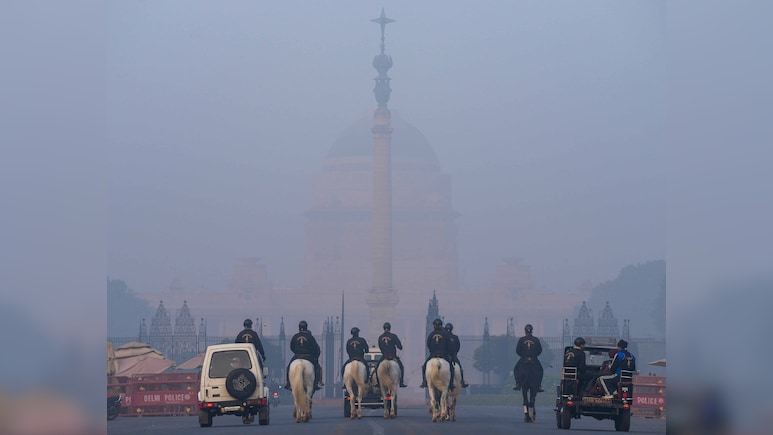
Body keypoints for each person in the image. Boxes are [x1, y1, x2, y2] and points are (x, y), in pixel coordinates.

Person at [284, 320, 324, 391]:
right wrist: (314, 356)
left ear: (299, 327)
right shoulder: (310, 337)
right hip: (308, 356)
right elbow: (315, 348)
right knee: (317, 368)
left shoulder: (295, 336)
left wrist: (297, 353)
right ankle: (315, 384)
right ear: (306, 327)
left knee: (289, 368)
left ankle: (288, 383)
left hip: (297, 356)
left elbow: (292, 347)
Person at [418, 318, 455, 390]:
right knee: (451, 368)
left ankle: (424, 381)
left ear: (434, 325)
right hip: (443, 355)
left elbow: (428, 344)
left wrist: (432, 351)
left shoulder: (431, 334)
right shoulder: (445, 334)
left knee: (424, 366)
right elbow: (449, 345)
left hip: (433, 355)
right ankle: (451, 383)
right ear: (441, 325)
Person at [374, 322, 408, 388]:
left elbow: (380, 347)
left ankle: (378, 383)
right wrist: (400, 346)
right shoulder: (393, 336)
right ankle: (401, 382)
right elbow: (399, 347)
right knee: (401, 367)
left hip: (384, 357)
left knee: (377, 368)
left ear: (383, 328)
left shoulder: (380, 337)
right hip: (393, 356)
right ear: (390, 328)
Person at [513, 324, 544, 392]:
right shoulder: (536, 339)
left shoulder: (521, 339)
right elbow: (540, 350)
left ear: (525, 331)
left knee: (515, 369)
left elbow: (517, 350)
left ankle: (518, 384)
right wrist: (534, 356)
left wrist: (523, 356)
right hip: (534, 359)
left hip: (524, 358)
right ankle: (539, 385)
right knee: (541, 370)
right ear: (532, 331)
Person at [444, 323, 469, 388]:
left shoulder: (443, 337)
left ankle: (426, 380)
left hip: (443, 355)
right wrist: (454, 353)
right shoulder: (455, 337)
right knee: (459, 367)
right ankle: (462, 381)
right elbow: (458, 347)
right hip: (453, 356)